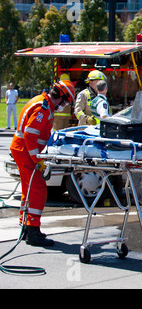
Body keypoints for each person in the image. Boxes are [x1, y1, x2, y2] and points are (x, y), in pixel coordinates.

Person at [10, 80, 75, 246]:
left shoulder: (44, 103)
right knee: (38, 190)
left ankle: (27, 226)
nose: (65, 105)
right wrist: (38, 160)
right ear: (60, 97)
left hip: (24, 150)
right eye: (66, 101)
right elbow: (30, 135)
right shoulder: (42, 108)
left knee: (29, 189)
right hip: (26, 151)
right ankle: (33, 231)